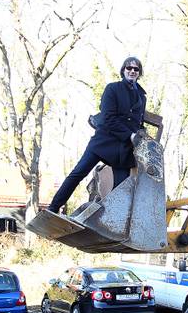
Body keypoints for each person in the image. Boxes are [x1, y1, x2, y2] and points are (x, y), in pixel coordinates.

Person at [48, 56, 147, 214]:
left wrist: (140, 134)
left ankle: (111, 224)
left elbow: (137, 121)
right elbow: (108, 118)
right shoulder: (112, 89)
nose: (132, 71)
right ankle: (53, 208)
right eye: (129, 68)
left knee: (121, 190)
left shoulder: (141, 96)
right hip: (104, 141)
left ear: (139, 72)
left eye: (136, 69)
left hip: (123, 149)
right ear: (123, 70)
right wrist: (130, 135)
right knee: (78, 173)